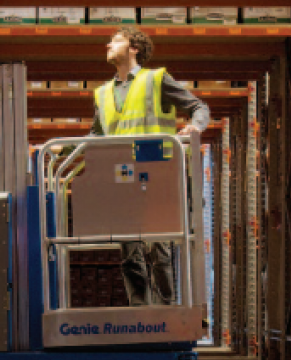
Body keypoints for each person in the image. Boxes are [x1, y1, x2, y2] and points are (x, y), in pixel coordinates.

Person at [90, 25, 210, 306]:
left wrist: (195, 126)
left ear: (134, 48)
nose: (108, 45)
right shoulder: (102, 93)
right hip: (120, 177)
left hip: (155, 171)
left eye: (115, 41)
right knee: (128, 250)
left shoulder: (156, 79)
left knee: (159, 247)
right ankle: (139, 314)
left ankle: (166, 311)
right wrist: (63, 150)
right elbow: (97, 134)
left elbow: (197, 107)